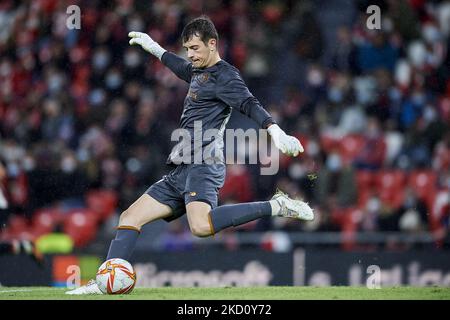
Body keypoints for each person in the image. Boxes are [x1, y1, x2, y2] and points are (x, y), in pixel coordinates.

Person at [66, 16, 313, 295]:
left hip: (205, 164)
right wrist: (154, 48)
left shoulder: (226, 76)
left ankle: (277, 206)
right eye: (187, 49)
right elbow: (181, 67)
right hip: (182, 167)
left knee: (201, 226)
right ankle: (105, 282)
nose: (191, 54)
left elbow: (249, 103)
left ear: (212, 44)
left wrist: (275, 131)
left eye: (195, 48)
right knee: (129, 217)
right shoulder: (198, 70)